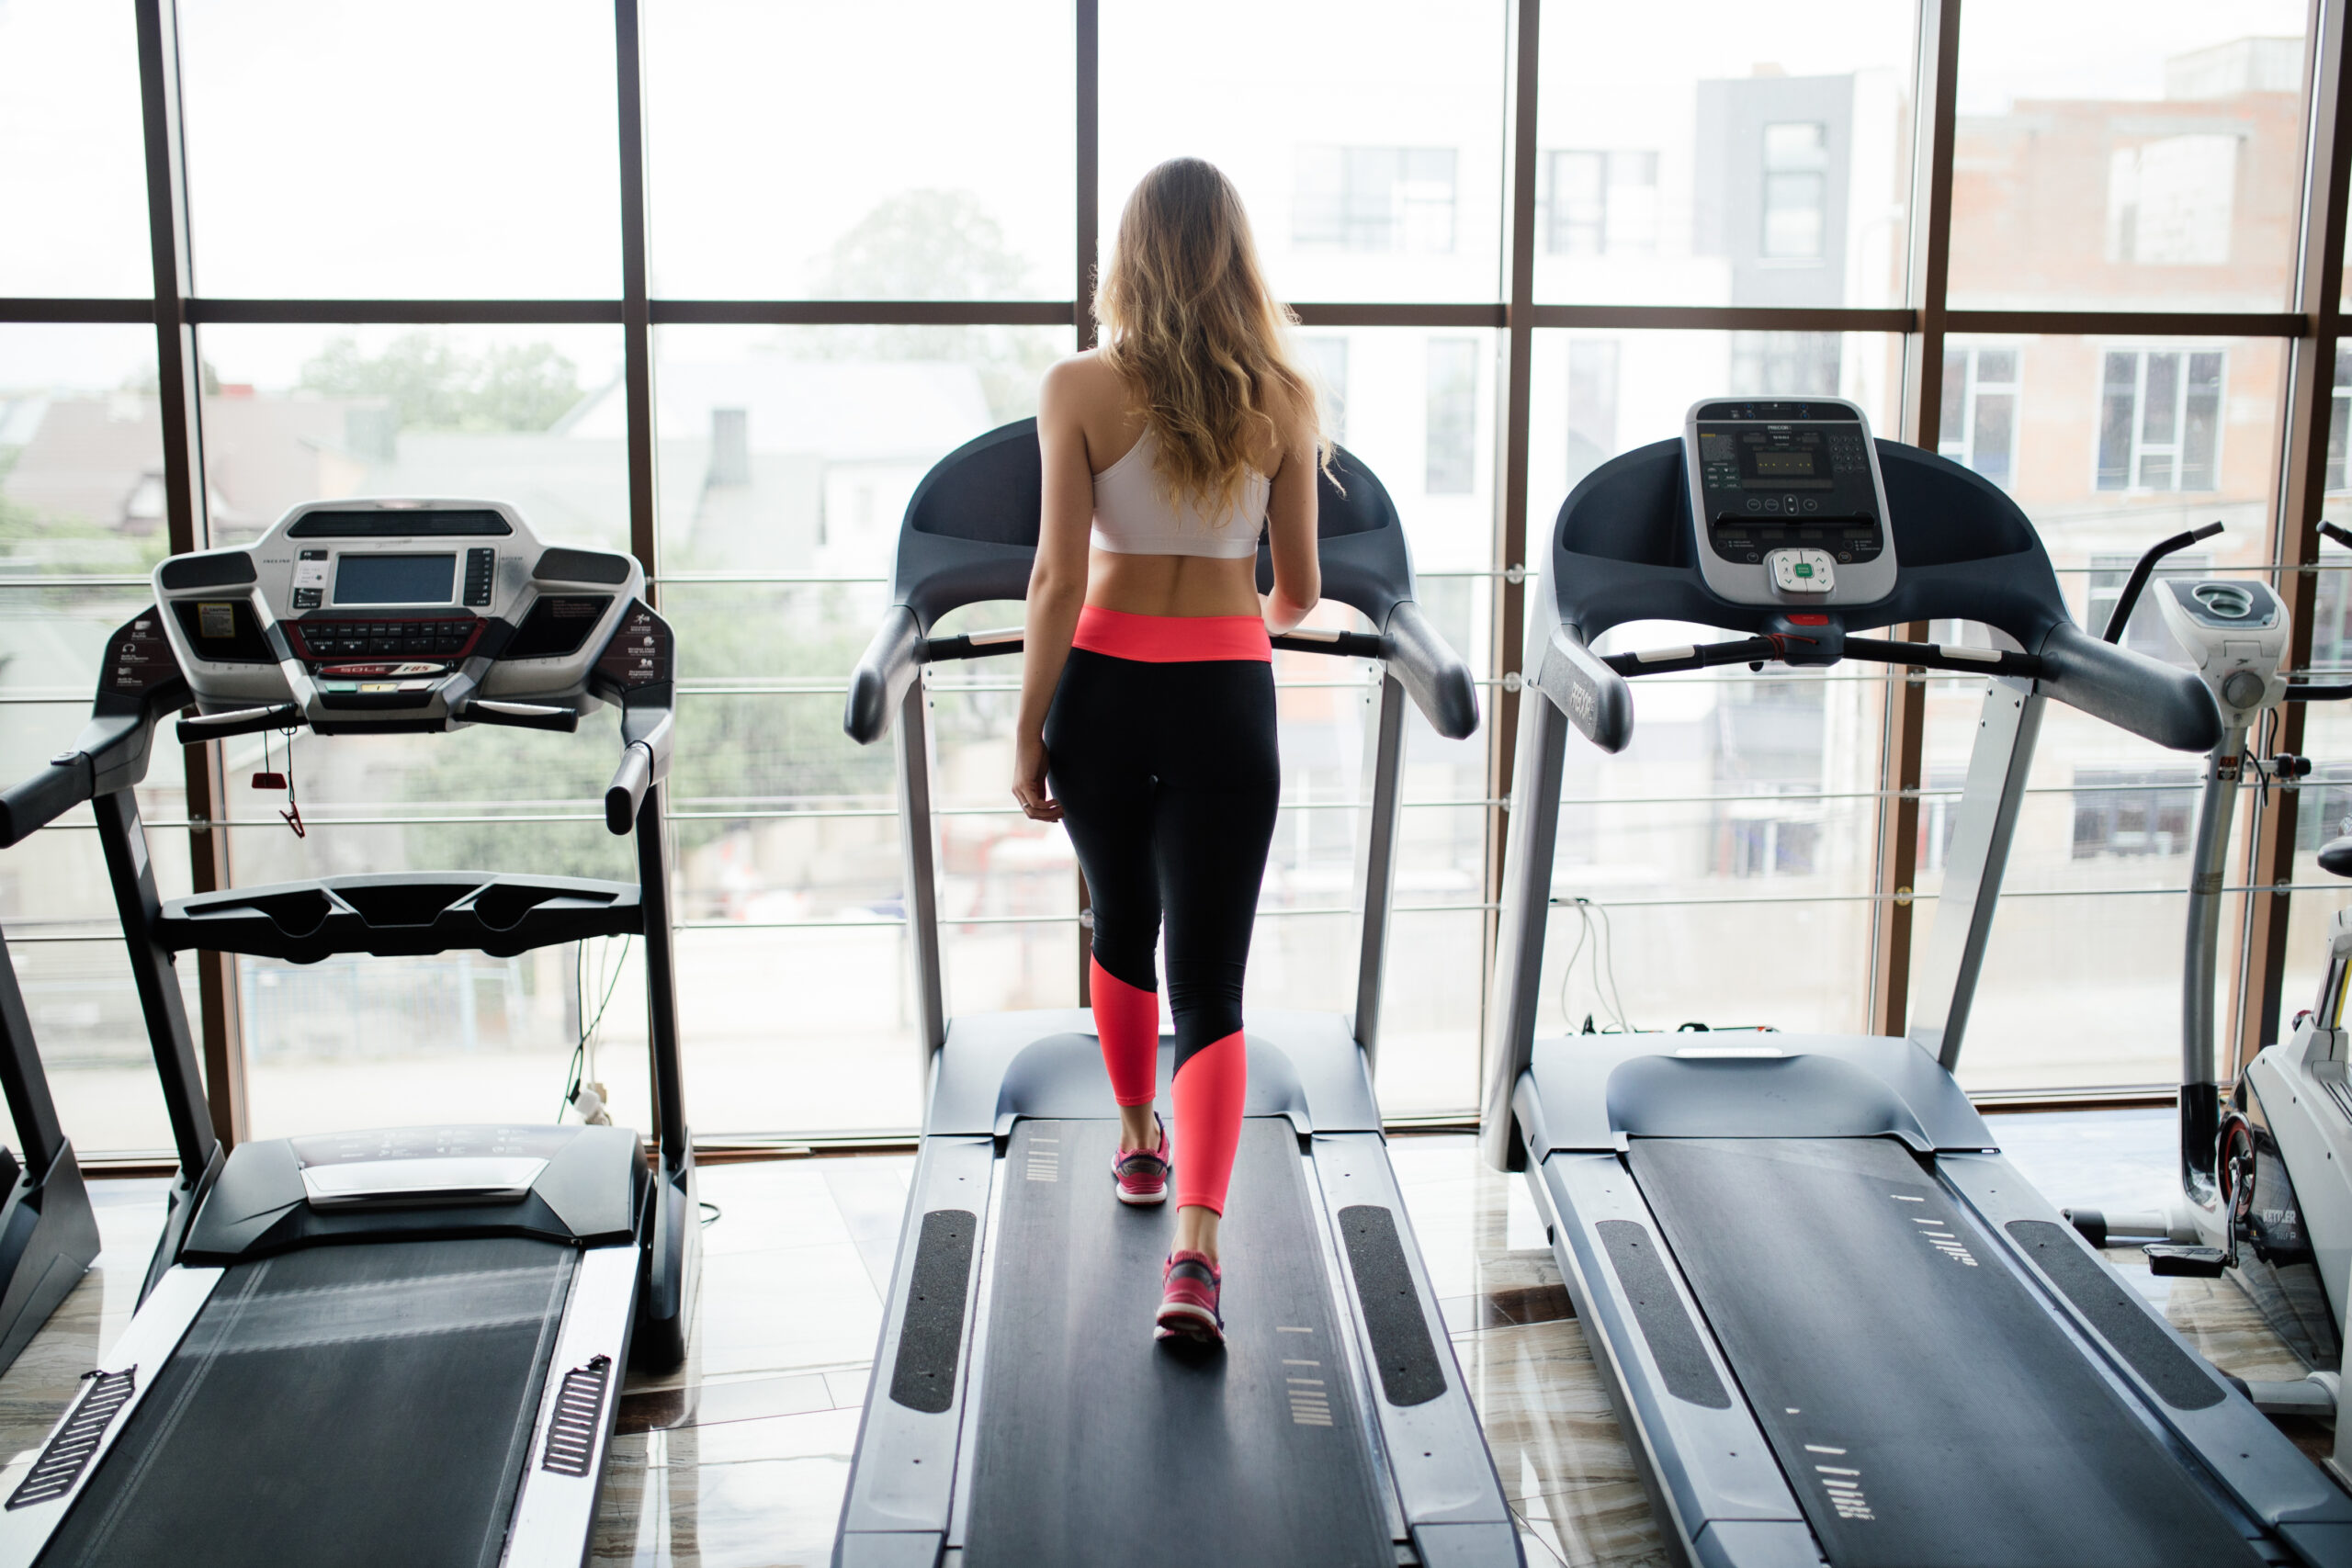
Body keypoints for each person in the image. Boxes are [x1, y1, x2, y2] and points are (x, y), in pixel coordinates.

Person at [1011, 157, 1324, 1346]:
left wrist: (1027, 728)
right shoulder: (1285, 400)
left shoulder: (1077, 386)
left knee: (1119, 922)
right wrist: (1230, 620)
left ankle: (1136, 1137)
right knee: (1213, 980)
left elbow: (1051, 577)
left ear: (1129, 257)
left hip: (1102, 694)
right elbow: (1294, 589)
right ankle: (1194, 1258)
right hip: (1227, 702)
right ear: (1235, 255)